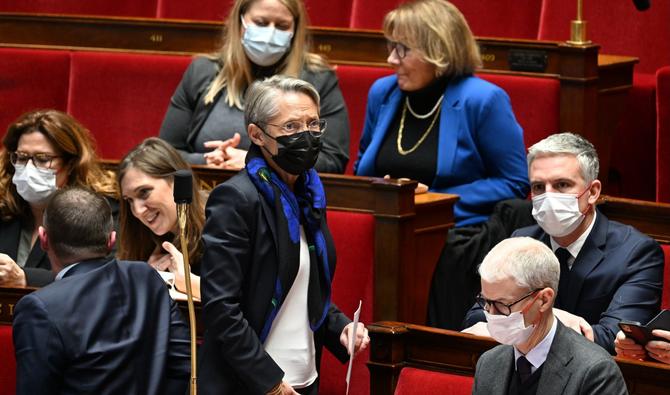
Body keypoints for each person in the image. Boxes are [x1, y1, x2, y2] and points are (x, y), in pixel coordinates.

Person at [198, 75, 368, 394]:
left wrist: (340, 326)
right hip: (250, 384)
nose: (306, 135)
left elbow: (303, 286)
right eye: (290, 127)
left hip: (303, 378)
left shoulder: (308, 194)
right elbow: (221, 308)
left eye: (313, 124)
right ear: (257, 134)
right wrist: (269, 382)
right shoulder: (236, 199)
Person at [463, 132, 664, 354]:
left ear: (593, 192)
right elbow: (478, 315)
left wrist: (523, 324)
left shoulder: (636, 253)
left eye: (562, 185)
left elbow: (613, 340)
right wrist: (555, 318)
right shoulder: (522, 241)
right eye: (539, 187)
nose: (548, 197)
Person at [354, 0, 528, 227]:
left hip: (453, 229)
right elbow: (361, 169)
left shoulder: (483, 100)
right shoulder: (383, 93)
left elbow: (514, 181)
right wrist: (385, 189)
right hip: (384, 225)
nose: (391, 59)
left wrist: (432, 199)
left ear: (438, 51)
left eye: (402, 49)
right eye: (391, 46)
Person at [12, 187, 190, 395]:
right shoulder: (146, 277)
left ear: (43, 238)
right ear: (111, 240)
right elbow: (182, 365)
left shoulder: (38, 308)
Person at [159, 0, 350, 174]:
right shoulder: (203, 71)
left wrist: (258, 162)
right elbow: (164, 153)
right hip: (203, 193)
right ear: (240, 23)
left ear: (294, 30)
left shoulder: (318, 79)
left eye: (282, 26)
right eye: (260, 23)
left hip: (281, 203)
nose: (270, 33)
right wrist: (208, 159)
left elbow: (332, 161)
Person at [471, 237, 627, 395]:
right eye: (486, 301)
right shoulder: (488, 363)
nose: (491, 314)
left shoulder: (595, 372)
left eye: (502, 304)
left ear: (544, 300)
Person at [0, 109, 117, 287]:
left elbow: (102, 278)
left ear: (71, 164)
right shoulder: (4, 205)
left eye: (43, 159)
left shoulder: (99, 210)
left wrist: (26, 278)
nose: (29, 168)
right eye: (22, 157)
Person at [118, 137, 205, 299]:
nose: (137, 211)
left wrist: (189, 283)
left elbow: (242, 302)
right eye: (129, 200)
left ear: (177, 182)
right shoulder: (143, 240)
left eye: (144, 192)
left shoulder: (220, 228)